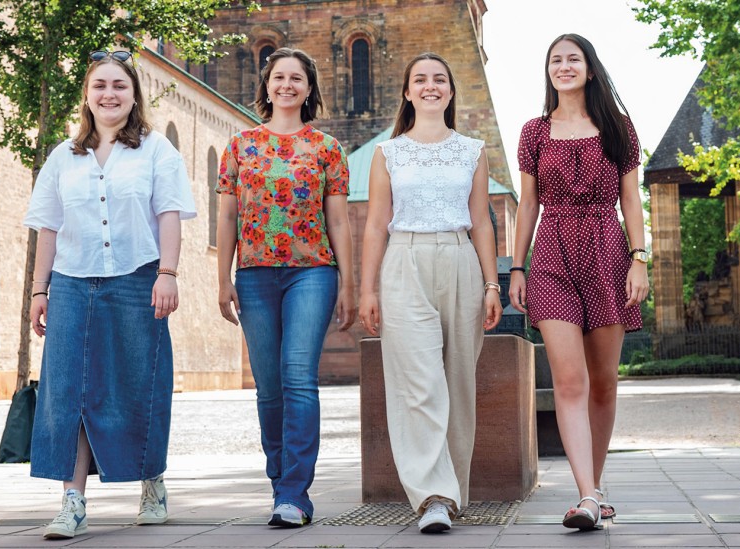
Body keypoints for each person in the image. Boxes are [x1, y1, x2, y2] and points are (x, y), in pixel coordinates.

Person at [24, 49, 196, 540]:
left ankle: (152, 483)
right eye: (100, 85)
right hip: (73, 283)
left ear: (133, 95)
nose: (109, 94)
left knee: (141, 384)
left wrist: (168, 272)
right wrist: (40, 289)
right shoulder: (63, 156)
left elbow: (168, 214)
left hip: (137, 279)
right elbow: (48, 228)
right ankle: (72, 501)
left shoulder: (157, 150)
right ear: (86, 95)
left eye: (119, 85)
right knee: (68, 389)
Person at [508, 34, 649, 531]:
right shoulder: (533, 132)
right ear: (547, 72)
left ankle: (595, 487)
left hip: (608, 252)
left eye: (573, 59)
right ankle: (587, 496)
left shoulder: (619, 128)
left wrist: (639, 258)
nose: (564, 67)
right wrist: (517, 266)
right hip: (551, 254)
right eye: (555, 60)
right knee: (570, 381)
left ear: (590, 69)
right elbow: (527, 204)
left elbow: (631, 200)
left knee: (604, 384)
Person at [358, 52, 503, 534]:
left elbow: (482, 221)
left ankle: (450, 489)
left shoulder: (472, 150)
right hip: (404, 262)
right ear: (407, 91)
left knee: (458, 381)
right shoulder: (388, 154)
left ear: (450, 91)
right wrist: (368, 289)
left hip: (460, 258)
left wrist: (491, 284)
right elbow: (376, 224)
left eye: (439, 79)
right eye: (420, 79)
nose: (430, 86)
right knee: (419, 383)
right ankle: (432, 497)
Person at [215, 47, 355, 528]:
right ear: (267, 85)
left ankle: (295, 493)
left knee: (298, 378)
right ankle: (279, 481)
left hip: (312, 272)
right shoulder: (240, 146)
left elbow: (338, 219)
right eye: (279, 77)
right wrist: (223, 280)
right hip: (253, 275)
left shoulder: (327, 149)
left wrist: (348, 282)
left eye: (297, 78)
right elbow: (228, 215)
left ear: (309, 88)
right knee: (269, 388)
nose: (287, 85)